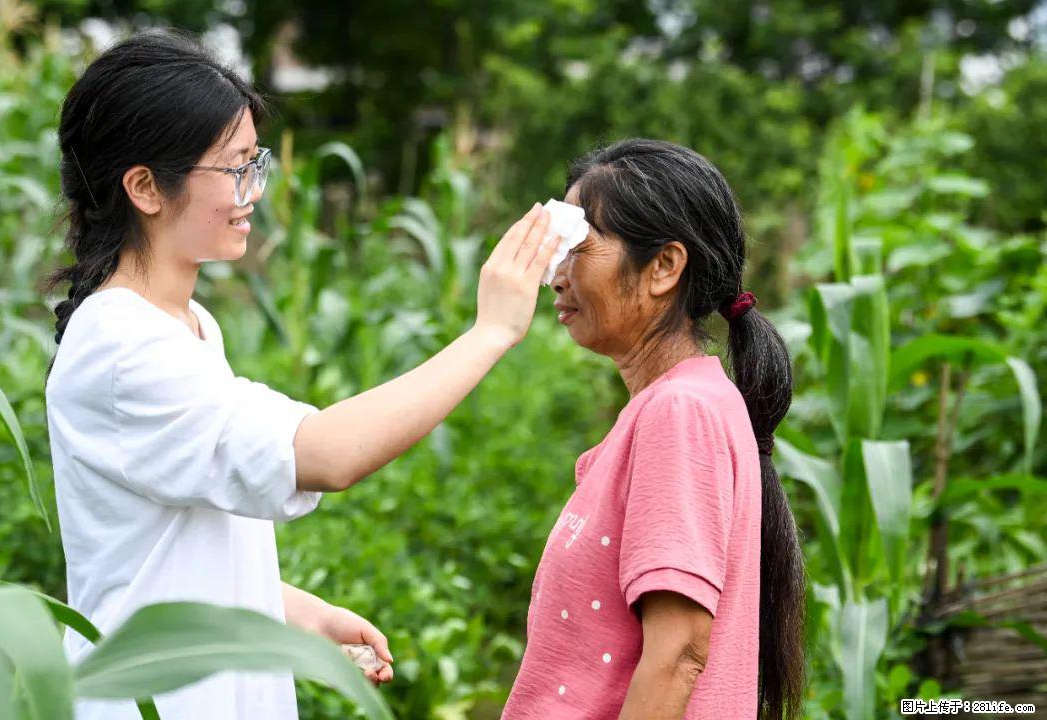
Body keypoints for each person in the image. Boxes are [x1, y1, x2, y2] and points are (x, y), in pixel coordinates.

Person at [43, 29, 558, 720]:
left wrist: (293, 611)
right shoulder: (122, 346)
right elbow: (324, 454)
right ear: (144, 187)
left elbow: (166, 548)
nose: (254, 189)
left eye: (254, 162)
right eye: (234, 168)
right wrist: (488, 333)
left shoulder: (187, 325)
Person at [501, 139, 806, 720]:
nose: (557, 277)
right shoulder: (675, 407)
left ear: (664, 266)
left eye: (577, 249)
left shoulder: (681, 412)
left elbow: (679, 652)